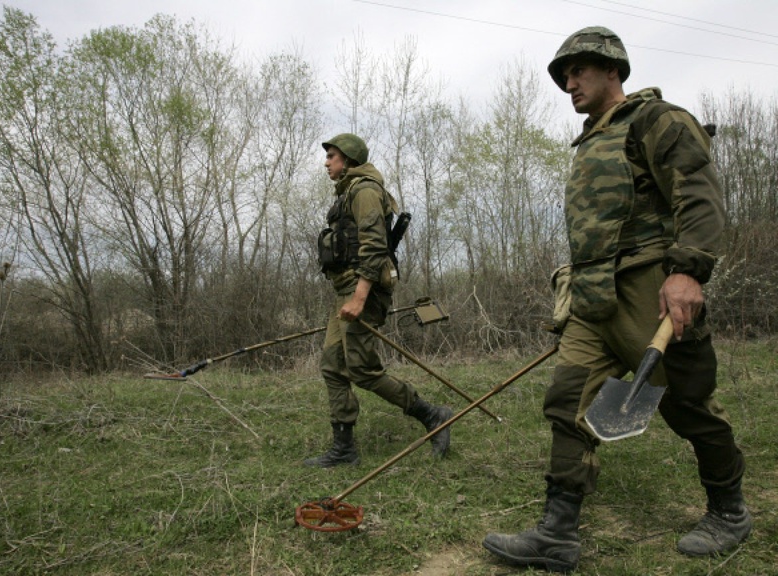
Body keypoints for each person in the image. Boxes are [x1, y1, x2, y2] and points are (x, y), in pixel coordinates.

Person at [482, 27, 751, 572]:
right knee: (566, 402)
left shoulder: (658, 121)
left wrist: (687, 272)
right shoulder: (590, 140)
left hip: (653, 290)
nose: (568, 83)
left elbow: (698, 194)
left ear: (612, 70)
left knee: (688, 404)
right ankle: (558, 533)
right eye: (563, 76)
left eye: (578, 70)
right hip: (592, 295)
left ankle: (730, 511)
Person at [304, 133, 453, 468]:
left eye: (332, 156)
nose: (327, 162)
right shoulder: (348, 193)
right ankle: (344, 449)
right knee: (332, 365)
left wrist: (358, 298)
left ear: (349, 159)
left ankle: (433, 416)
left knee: (362, 369)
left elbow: (374, 248)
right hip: (346, 291)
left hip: (363, 293)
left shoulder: (366, 191)